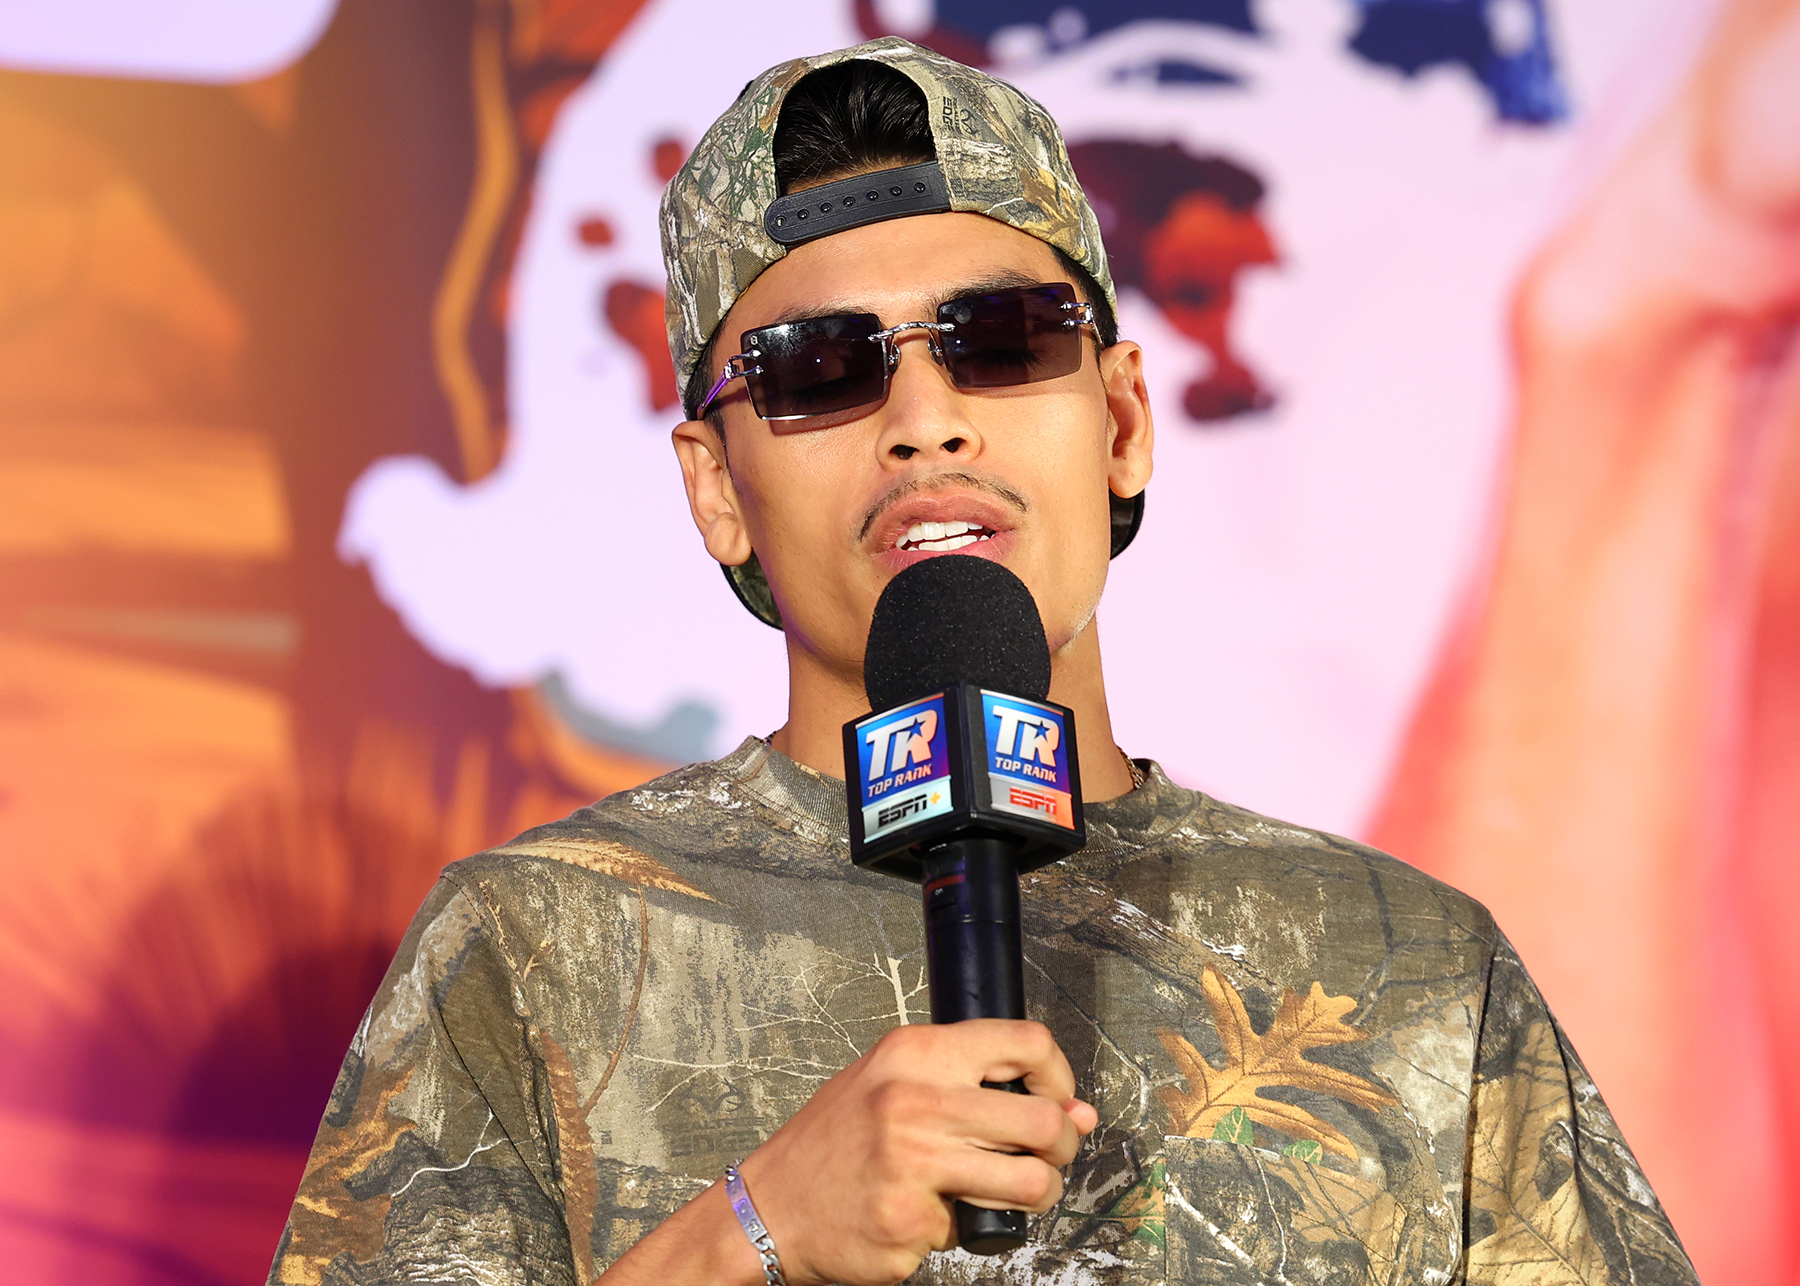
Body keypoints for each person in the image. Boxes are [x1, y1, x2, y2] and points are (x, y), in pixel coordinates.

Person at [269, 38, 1696, 1286]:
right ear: (716, 488)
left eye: (1001, 340)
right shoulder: (530, 950)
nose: (926, 421)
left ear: (1122, 420)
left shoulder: (1411, 968)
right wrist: (749, 1234)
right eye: (821, 370)